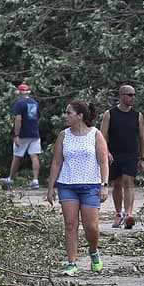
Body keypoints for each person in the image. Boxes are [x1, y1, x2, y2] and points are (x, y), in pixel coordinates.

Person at [45, 101, 111, 276]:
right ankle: (71, 262)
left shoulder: (95, 135)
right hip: (67, 184)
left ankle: (93, 251)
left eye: (69, 113)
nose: (65, 116)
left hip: (91, 185)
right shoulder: (63, 136)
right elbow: (57, 162)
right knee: (70, 224)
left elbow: (103, 162)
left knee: (91, 226)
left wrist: (104, 184)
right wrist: (51, 187)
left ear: (80, 116)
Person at [100, 84, 144, 229]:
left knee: (129, 182)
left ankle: (128, 214)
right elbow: (102, 135)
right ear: (121, 96)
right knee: (117, 183)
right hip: (114, 154)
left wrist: (143, 158)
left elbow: (142, 137)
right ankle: (118, 213)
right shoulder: (110, 114)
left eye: (134, 95)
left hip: (131, 154)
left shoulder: (137, 116)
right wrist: (106, 152)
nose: (132, 97)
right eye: (129, 95)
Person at [0, 84, 41, 189]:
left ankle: (11, 179)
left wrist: (16, 135)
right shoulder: (34, 103)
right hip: (35, 133)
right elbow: (37, 118)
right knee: (34, 156)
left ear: (19, 93)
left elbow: (18, 120)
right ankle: (35, 180)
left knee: (17, 156)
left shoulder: (19, 104)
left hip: (23, 134)